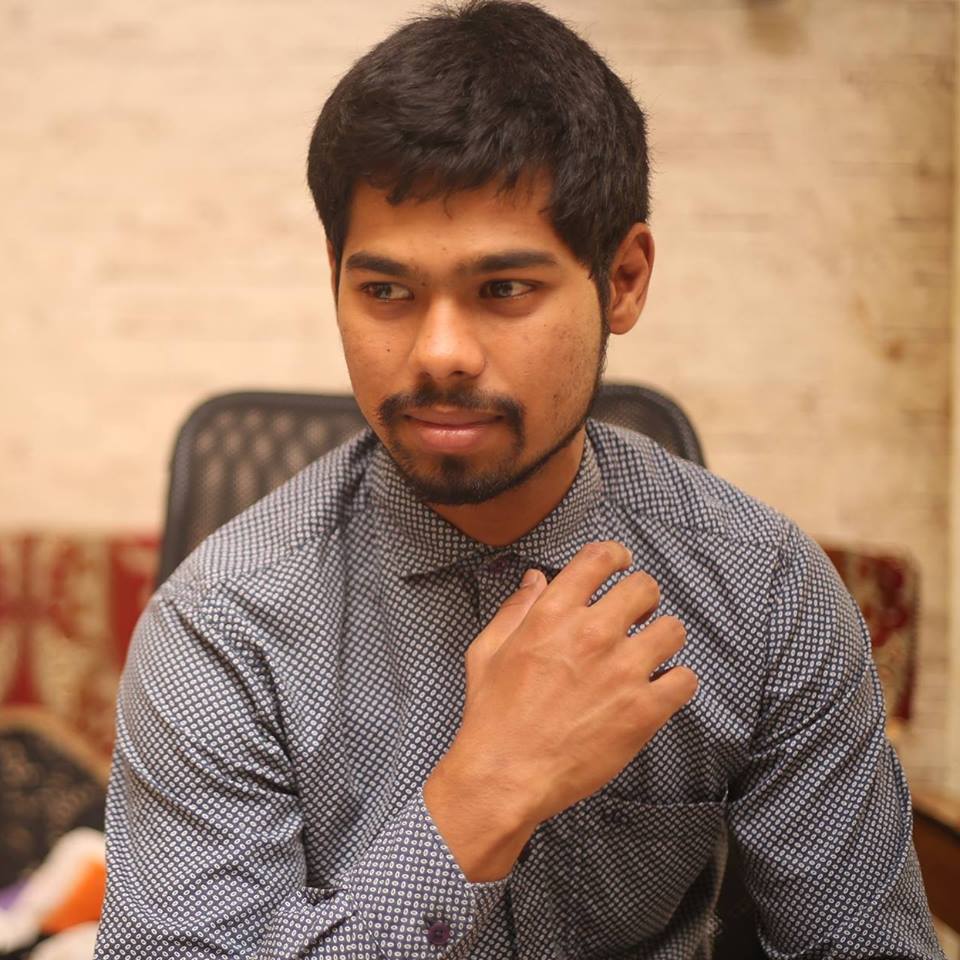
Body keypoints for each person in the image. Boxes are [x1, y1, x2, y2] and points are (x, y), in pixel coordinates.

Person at [94, 2, 946, 958]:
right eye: (386, 291)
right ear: (334, 277)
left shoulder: (764, 591)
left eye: (503, 290)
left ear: (623, 280)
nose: (440, 353)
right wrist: (482, 796)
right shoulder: (221, 629)